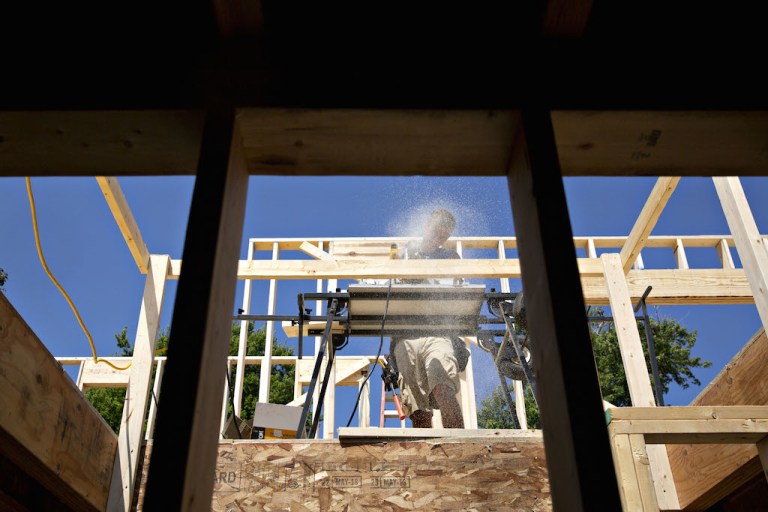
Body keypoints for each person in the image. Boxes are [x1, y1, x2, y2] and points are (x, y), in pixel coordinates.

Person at [389, 209, 467, 428]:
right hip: (405, 335)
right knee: (417, 406)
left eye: (444, 236)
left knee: (443, 387)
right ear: (425, 226)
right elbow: (389, 283)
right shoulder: (404, 252)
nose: (439, 237)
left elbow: (459, 292)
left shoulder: (450, 257)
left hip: (438, 332)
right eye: (436, 231)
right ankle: (427, 456)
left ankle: (459, 448)